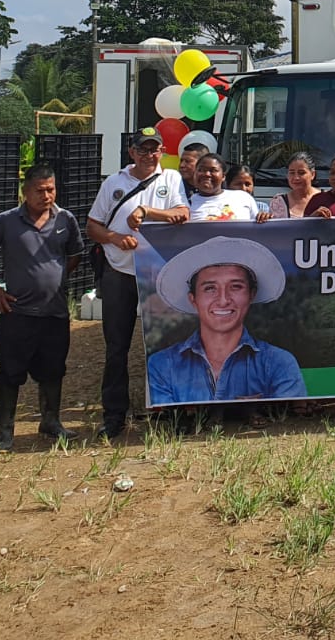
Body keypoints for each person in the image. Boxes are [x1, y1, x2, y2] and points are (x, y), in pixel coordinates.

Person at [87, 127, 189, 440]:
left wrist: (146, 211)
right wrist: (114, 238)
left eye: (154, 149)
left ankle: (168, 410)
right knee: (116, 347)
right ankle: (114, 414)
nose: (149, 155)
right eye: (143, 149)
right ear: (131, 152)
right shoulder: (114, 183)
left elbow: (182, 213)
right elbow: (93, 226)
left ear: (162, 152)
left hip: (158, 274)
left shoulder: (171, 179)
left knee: (164, 344)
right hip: (119, 273)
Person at [0, 164, 85, 451]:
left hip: (54, 313)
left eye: (51, 189)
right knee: (9, 372)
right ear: (25, 192)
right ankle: (5, 433)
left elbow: (74, 255)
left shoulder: (66, 219)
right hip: (17, 313)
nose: (46, 195)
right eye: (39, 190)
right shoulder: (6, 222)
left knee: (53, 369)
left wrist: (56, 278)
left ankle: (51, 421)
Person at [146, 236, 306, 404]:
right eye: (210, 288)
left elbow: (287, 421)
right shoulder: (162, 365)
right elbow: (166, 422)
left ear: (251, 294)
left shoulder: (279, 363)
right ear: (193, 299)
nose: (223, 300)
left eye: (235, 287)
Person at [188, 154, 259, 222]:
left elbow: (258, 229)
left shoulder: (243, 197)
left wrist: (264, 218)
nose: (207, 174)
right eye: (201, 170)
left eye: (213, 170)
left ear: (223, 176)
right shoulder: (186, 205)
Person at [269, 152, 318, 219]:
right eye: (292, 173)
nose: (296, 177)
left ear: (312, 174)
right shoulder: (279, 203)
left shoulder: (326, 197)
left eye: (301, 173)